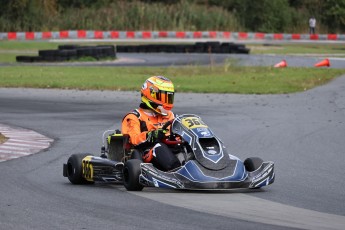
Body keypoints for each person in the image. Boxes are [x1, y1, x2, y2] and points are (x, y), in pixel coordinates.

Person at [121, 76, 181, 171]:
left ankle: (205, 166)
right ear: (151, 95)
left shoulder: (171, 116)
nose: (166, 101)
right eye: (163, 97)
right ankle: (178, 170)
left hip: (171, 150)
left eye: (168, 97)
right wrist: (151, 135)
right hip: (146, 154)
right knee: (159, 147)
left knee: (187, 146)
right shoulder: (134, 117)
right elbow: (134, 140)